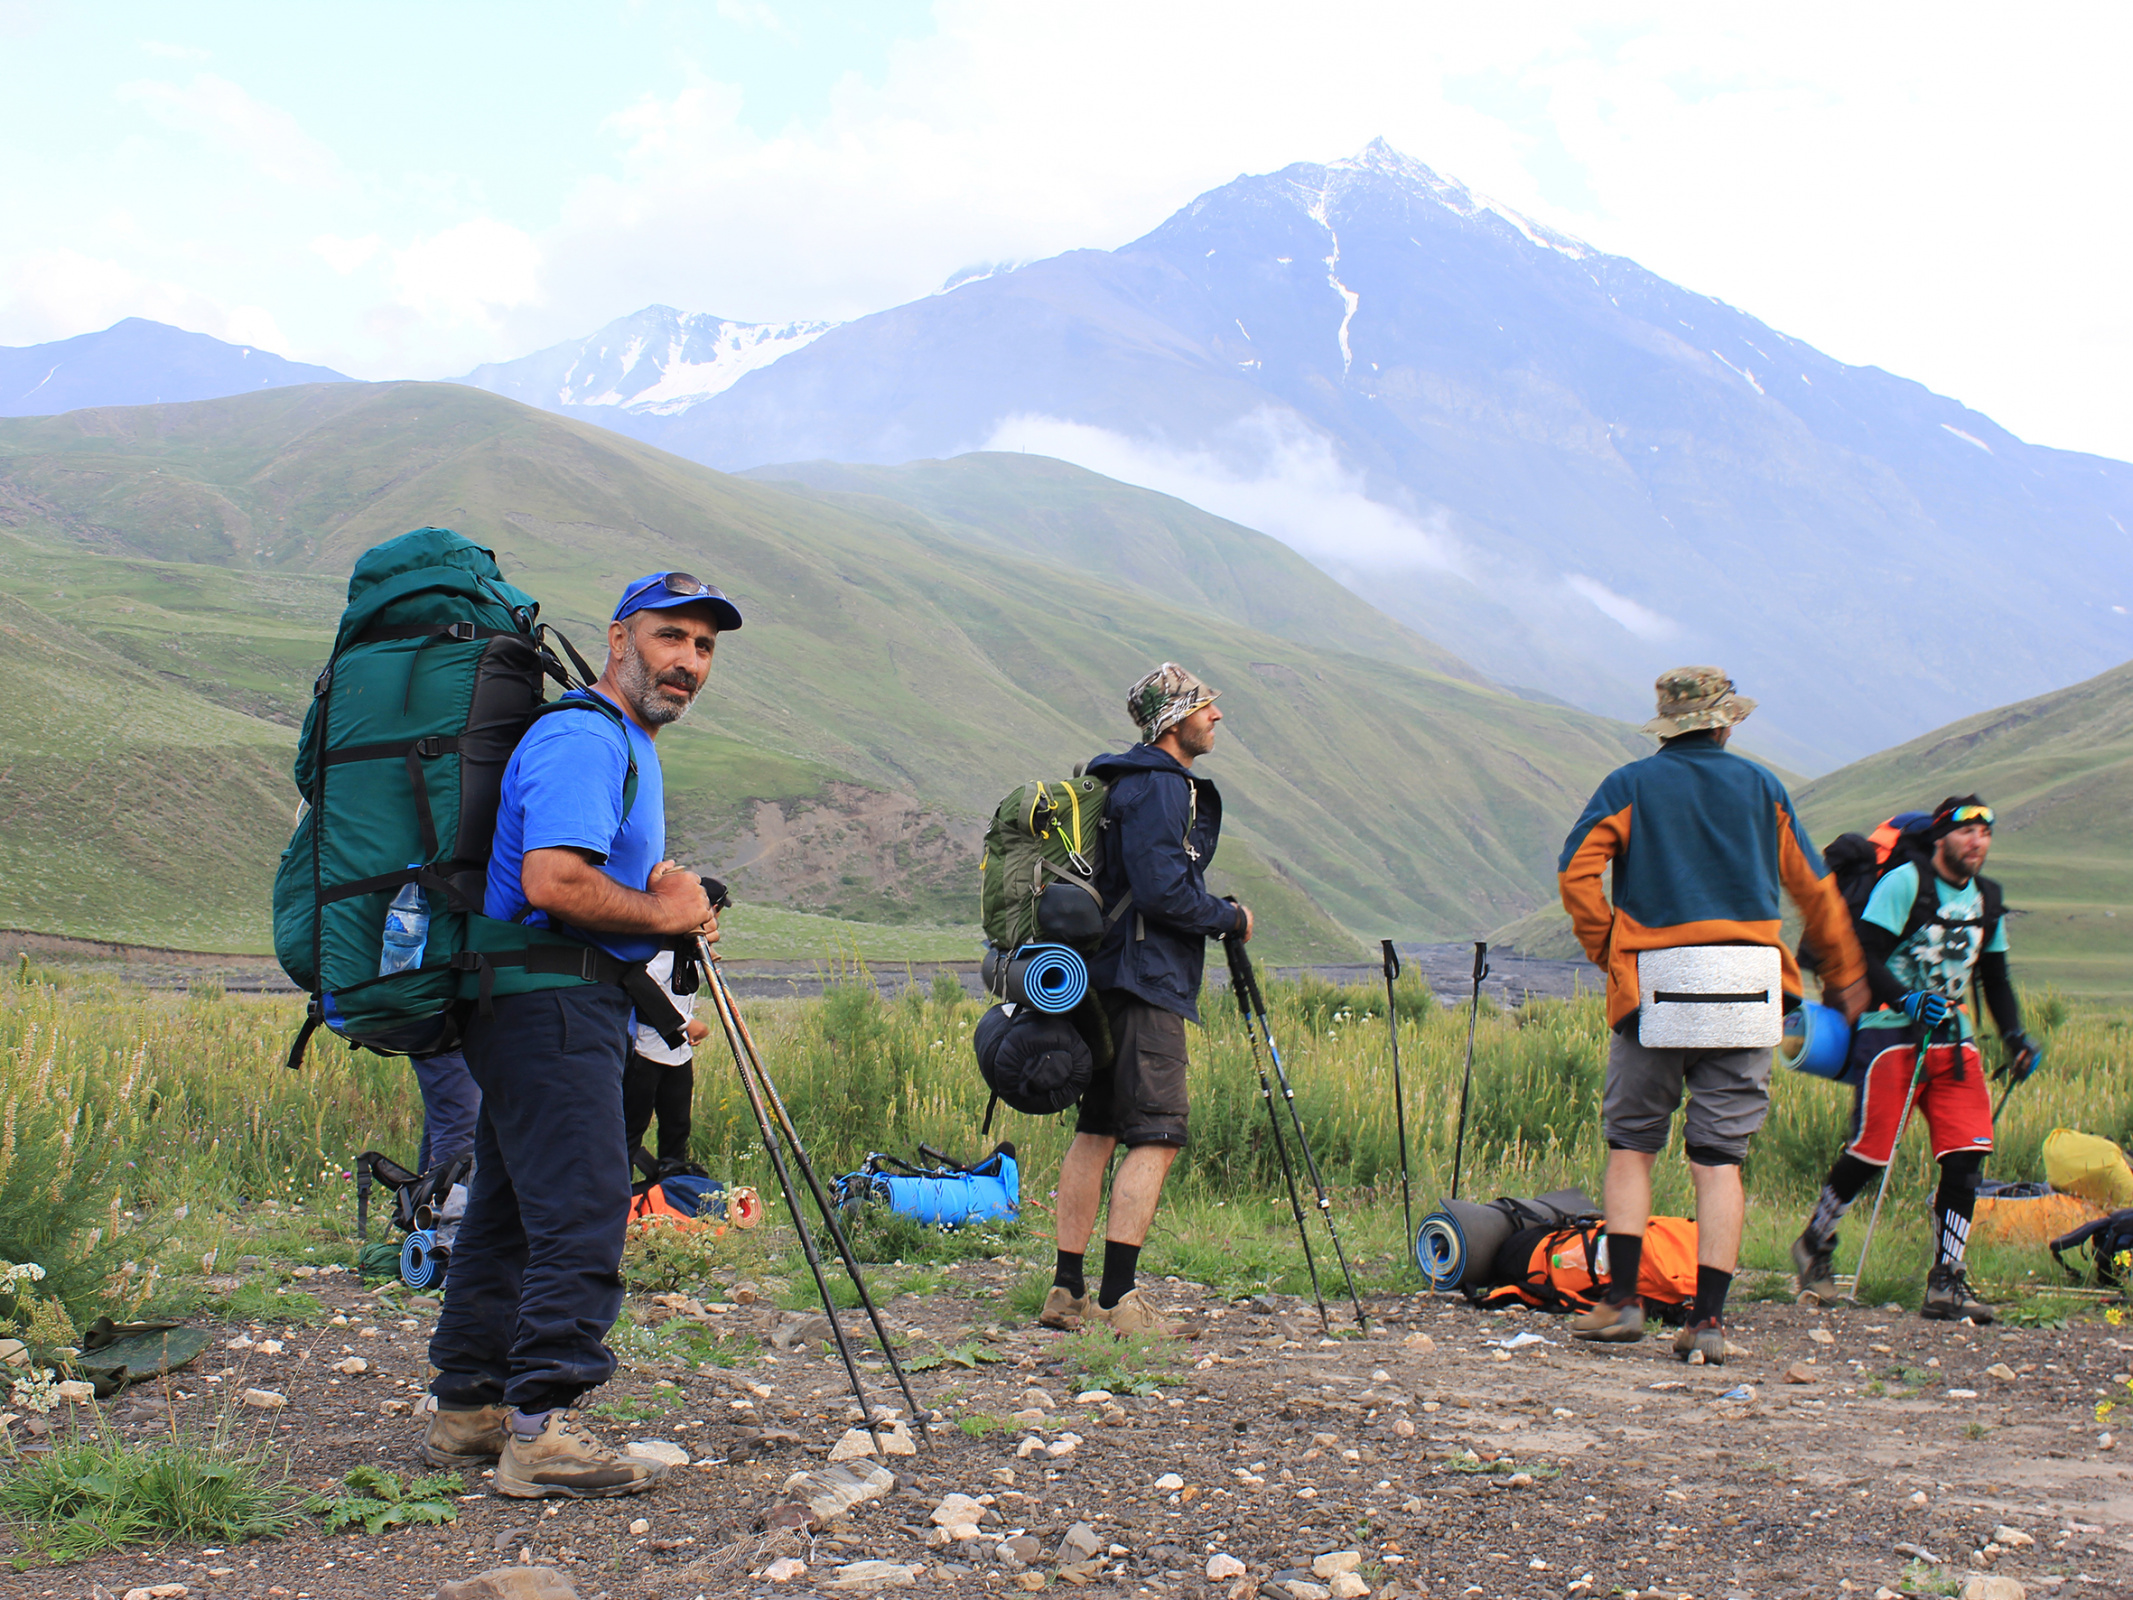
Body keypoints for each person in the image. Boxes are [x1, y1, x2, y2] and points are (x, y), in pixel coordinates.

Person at [423, 570, 740, 1498]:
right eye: (669, 637)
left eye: (704, 647)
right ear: (618, 637)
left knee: (509, 1210)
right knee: (587, 1201)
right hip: (546, 1002)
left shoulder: (619, 742)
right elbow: (554, 883)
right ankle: (541, 1431)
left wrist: (665, 912)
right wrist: (663, 909)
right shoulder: (583, 736)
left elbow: (588, 896)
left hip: (541, 1000)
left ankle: (469, 1411)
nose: (687, 661)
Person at [1557, 667, 1869, 1363]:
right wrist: (1845, 974)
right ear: (1725, 723)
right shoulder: (1763, 789)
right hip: (1747, 983)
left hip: (1656, 984)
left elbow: (1576, 871)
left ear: (1666, 725)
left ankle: (1623, 1301)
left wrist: (1606, 947)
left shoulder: (1629, 786)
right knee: (1719, 1158)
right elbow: (1815, 892)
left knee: (1632, 1143)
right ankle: (1707, 1323)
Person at [1043, 663, 1252, 1337]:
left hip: (1098, 975)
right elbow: (1164, 893)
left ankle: (1066, 1288)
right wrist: (1228, 917)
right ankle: (1119, 1301)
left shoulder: (1118, 782)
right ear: (1172, 720)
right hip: (1144, 978)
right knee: (1156, 1134)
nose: (1215, 716)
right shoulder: (1162, 788)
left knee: (1095, 1129)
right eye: (1204, 706)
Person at [1790, 796, 2043, 1323]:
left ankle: (1947, 1279)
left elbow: (1994, 976)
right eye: (1966, 831)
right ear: (1940, 837)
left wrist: (2014, 1036)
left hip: (1954, 1043)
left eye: (1985, 833)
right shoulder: (1905, 882)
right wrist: (1904, 999)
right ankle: (1816, 1240)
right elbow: (1865, 952)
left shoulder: (1987, 899)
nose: (1978, 842)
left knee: (1966, 1156)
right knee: (1871, 1153)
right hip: (1890, 1037)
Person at [624, 947, 711, 1175]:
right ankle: (619, 1198)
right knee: (631, 1130)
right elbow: (640, 983)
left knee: (678, 1126)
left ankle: (670, 1191)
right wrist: (685, 1023)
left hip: (679, 1053)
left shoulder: (689, 950)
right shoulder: (667, 949)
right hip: (646, 1051)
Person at [411, 1050, 480, 1173]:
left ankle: (430, 1188)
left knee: (445, 1123)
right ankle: (451, 1191)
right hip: (451, 1041)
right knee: (458, 1128)